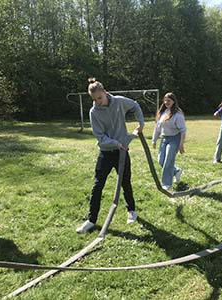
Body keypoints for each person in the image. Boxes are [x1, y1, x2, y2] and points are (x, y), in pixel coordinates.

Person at [76, 78, 145, 233]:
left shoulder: (119, 102)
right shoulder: (94, 112)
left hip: (122, 152)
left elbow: (135, 105)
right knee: (97, 185)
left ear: (105, 92)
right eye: (94, 99)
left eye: (99, 98)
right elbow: (100, 137)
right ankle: (91, 220)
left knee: (125, 182)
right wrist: (116, 143)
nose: (97, 102)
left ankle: (131, 211)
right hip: (106, 153)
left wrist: (140, 123)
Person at [152, 92, 186, 191]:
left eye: (169, 100)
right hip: (164, 139)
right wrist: (154, 140)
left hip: (174, 139)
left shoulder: (177, 114)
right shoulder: (162, 112)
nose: (166, 102)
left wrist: (181, 144)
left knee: (168, 161)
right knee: (161, 160)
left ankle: (167, 184)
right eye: (165, 100)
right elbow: (157, 128)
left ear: (173, 101)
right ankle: (176, 171)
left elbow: (183, 130)